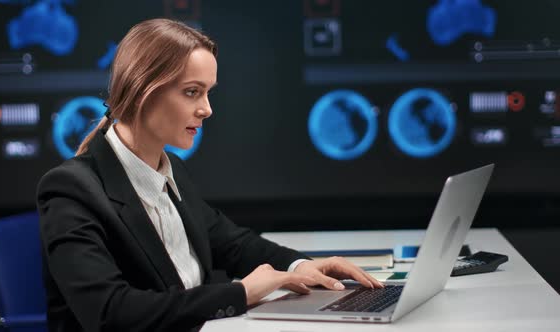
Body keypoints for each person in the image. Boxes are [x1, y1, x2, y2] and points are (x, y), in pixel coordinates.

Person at [36, 18, 383, 332]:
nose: (207, 109)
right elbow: (111, 313)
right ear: (144, 91)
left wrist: (300, 266)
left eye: (207, 92)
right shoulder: (70, 190)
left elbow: (233, 244)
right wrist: (241, 293)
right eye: (192, 92)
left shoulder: (172, 171)